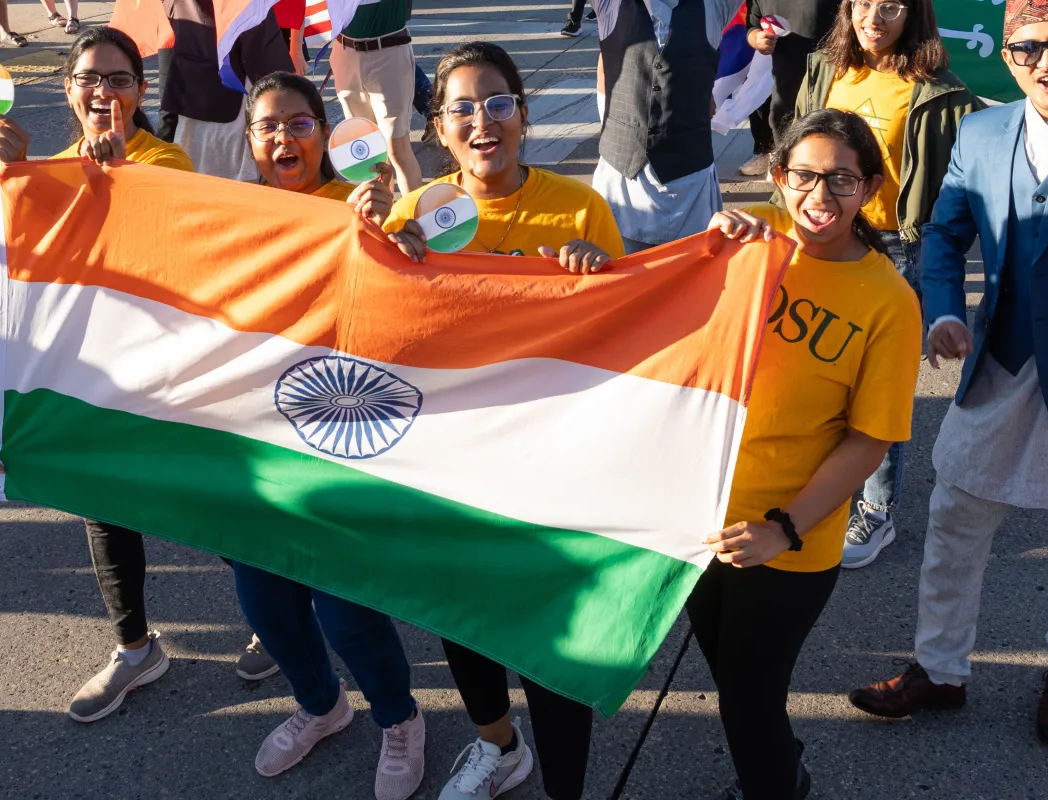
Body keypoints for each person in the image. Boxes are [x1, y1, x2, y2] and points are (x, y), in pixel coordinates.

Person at [849, 0, 1048, 746]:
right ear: (1006, 57)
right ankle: (940, 668)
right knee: (954, 517)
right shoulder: (980, 130)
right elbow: (946, 231)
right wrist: (941, 308)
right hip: (1000, 357)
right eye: (1029, 48)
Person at [0, 26, 281, 722]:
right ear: (67, 88)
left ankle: (276, 619)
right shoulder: (43, 166)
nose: (103, 92)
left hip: (170, 373)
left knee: (212, 502)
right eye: (89, 78)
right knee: (104, 507)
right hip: (94, 376)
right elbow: (25, 291)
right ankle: (135, 646)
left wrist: (118, 180)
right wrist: (19, 176)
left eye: (119, 79)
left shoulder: (164, 160)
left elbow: (170, 257)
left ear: (140, 90)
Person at [384, 42, 624, 800]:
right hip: (450, 465)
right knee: (464, 617)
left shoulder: (579, 207)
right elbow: (375, 334)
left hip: (552, 467)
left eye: (498, 103)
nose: (482, 120)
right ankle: (499, 746)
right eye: (461, 107)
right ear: (438, 128)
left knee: (548, 641)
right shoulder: (416, 215)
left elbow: (629, 336)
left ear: (523, 115)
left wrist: (600, 275)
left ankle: (566, 791)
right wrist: (384, 251)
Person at [701, 109, 920, 800]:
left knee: (746, 696)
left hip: (789, 541)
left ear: (870, 188)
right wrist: (706, 248)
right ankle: (779, 763)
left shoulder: (888, 299)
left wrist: (784, 528)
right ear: (777, 176)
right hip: (701, 521)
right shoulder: (748, 252)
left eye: (842, 180)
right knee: (735, 681)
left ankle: (776, 786)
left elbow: (869, 439)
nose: (819, 197)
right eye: (804, 176)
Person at [233, 71, 425, 800]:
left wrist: (385, 234)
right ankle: (321, 707)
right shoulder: (231, 215)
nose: (284, 137)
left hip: (339, 446)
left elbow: (416, 309)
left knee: (347, 612)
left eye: (299, 123)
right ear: (250, 142)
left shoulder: (365, 210)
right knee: (267, 606)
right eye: (269, 126)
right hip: (252, 451)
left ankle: (399, 719)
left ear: (326, 134)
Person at [794, 0, 983, 569]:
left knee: (879, 384)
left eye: (892, 7)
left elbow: (969, 173)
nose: (874, 17)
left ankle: (876, 509)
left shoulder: (940, 92)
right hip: (824, 237)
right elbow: (799, 144)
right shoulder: (825, 69)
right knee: (819, 366)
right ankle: (822, 487)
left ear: (914, 14)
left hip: (897, 247)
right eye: (863, 4)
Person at [592, 0, 735, 251]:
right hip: (622, 177)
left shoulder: (714, 5)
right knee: (618, 279)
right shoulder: (611, 4)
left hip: (690, 184)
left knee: (690, 281)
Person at [162, 0, 293, 180]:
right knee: (234, 173)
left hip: (193, 79)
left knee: (195, 166)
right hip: (236, 84)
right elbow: (257, 34)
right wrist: (287, 86)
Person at [739, 0, 842, 176]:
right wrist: (758, 39)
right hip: (786, 93)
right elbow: (752, 25)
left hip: (833, 82)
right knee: (783, 126)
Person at [331, 0, 423, 191]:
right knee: (367, 153)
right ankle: (379, 216)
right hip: (345, 50)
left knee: (397, 149)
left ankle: (411, 217)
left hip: (388, 50)